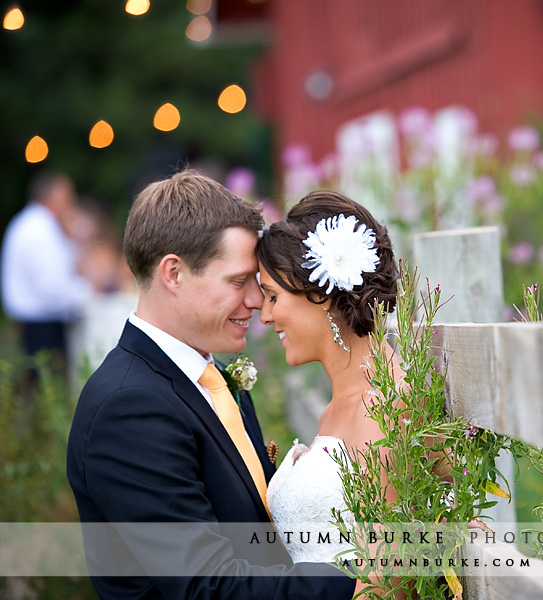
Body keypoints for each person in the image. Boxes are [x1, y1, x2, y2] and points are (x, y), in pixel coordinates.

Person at [66, 169, 355, 600]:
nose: (257, 302)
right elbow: (207, 585)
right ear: (173, 274)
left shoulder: (214, 376)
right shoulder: (128, 408)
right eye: (238, 282)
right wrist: (363, 579)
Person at [256, 190, 403, 590]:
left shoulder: (386, 408)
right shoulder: (335, 409)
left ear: (320, 293)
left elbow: (390, 581)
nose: (265, 315)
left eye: (272, 296)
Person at [1, 171, 93, 375]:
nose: (72, 200)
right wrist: (88, 294)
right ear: (55, 195)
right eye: (69, 194)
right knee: (48, 383)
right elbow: (51, 287)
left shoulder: (36, 225)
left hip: (38, 322)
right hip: (42, 325)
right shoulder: (38, 230)